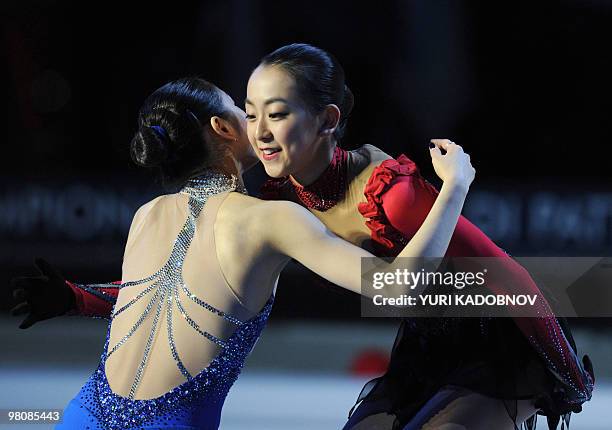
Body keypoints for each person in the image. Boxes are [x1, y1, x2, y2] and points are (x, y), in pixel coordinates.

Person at [10, 77, 474, 430]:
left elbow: (162, 295)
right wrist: (454, 186)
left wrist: (75, 297)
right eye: (244, 111)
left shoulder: (147, 214)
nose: (259, 124)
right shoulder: (269, 220)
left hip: (80, 415)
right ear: (221, 128)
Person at [244, 43, 594, 430]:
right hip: (427, 343)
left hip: (502, 338)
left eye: (276, 114)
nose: (259, 132)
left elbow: (500, 271)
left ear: (328, 119)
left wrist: (561, 364)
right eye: (249, 114)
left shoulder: (390, 194)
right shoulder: (278, 200)